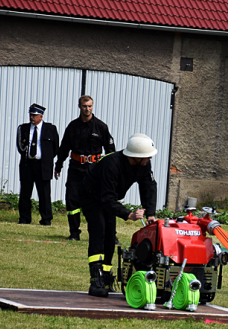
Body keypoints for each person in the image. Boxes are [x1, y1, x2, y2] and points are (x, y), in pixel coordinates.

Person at [80, 133, 158, 297]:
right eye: (146, 156)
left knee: (110, 237)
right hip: (91, 196)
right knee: (98, 231)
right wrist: (128, 214)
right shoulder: (112, 164)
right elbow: (106, 198)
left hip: (109, 198)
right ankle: (96, 279)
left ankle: (106, 276)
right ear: (136, 156)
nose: (149, 158)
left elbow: (148, 186)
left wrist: (150, 213)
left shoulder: (143, 165)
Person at [55, 95, 115, 241]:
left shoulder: (101, 127)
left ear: (92, 107)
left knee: (102, 201)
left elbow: (110, 151)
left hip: (94, 170)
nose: (87, 109)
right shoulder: (72, 126)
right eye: (84, 106)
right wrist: (58, 165)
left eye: (89, 106)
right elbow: (64, 148)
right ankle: (74, 233)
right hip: (75, 169)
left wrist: (112, 170)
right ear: (79, 106)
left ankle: (110, 235)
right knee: (72, 200)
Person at [15, 103, 59, 226]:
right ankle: (24, 218)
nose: (32, 117)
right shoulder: (23, 128)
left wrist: (46, 159)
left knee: (44, 194)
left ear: (41, 116)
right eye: (30, 114)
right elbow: (20, 146)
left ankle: (46, 219)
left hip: (43, 165)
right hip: (27, 164)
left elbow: (55, 148)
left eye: (34, 115)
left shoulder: (50, 129)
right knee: (25, 192)